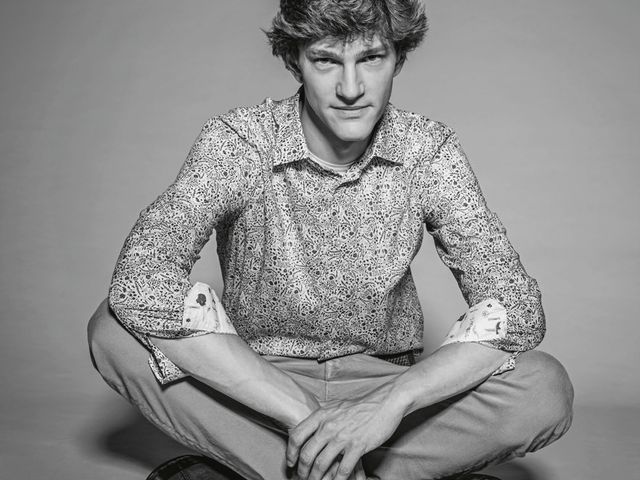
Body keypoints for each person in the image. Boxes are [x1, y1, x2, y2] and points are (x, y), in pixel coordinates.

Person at [88, 1, 574, 479]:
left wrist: (388, 404)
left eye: (371, 58)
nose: (351, 88)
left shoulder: (428, 150)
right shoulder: (239, 141)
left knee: (543, 388)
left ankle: (283, 465)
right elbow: (140, 279)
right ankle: (348, 465)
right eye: (326, 60)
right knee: (113, 329)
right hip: (256, 383)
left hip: (383, 384)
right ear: (294, 60)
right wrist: (301, 410)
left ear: (398, 58)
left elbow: (517, 308)